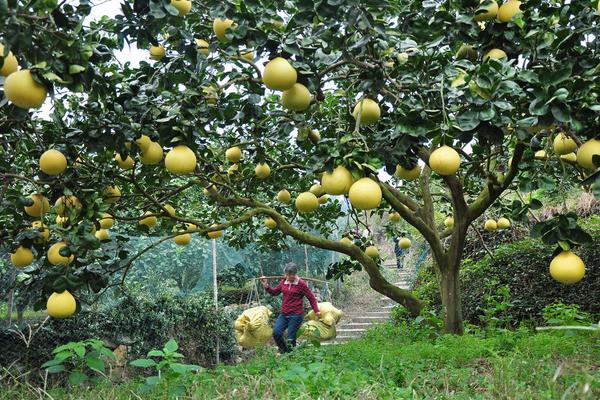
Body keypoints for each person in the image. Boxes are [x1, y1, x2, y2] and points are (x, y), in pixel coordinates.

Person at [260, 263, 320, 353]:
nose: (286, 276)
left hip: (296, 315)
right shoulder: (284, 281)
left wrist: (316, 311)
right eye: (286, 274)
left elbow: (311, 298)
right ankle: (284, 352)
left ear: (294, 275)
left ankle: (291, 357)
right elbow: (275, 292)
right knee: (276, 333)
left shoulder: (301, 284)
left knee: (291, 338)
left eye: (288, 275)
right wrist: (266, 286)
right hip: (284, 314)